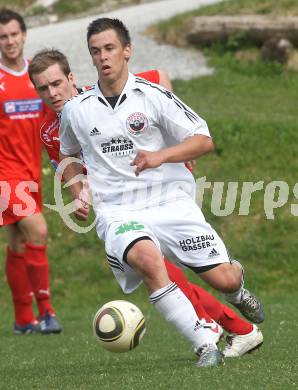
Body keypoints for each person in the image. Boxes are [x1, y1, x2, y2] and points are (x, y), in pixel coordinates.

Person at [29, 48, 263, 358]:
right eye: (43, 88)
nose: (52, 93)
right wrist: (78, 191)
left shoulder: (104, 97)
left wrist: (171, 147)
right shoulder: (48, 128)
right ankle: (218, 330)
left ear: (72, 78)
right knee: (156, 268)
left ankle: (232, 316)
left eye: (57, 84)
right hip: (119, 210)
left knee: (207, 276)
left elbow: (159, 78)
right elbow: (67, 163)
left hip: (161, 196)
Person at [0, 8, 62, 334]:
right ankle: (47, 312)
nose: (9, 41)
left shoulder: (36, 76)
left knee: (18, 242)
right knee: (37, 231)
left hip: (31, 172)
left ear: (24, 35)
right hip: (4, 176)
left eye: (14, 34)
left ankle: (24, 319)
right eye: (3, 37)